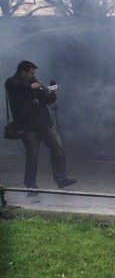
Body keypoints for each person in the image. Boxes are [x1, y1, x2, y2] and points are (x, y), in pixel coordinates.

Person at [5, 60, 77, 191]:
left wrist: (52, 95)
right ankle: (31, 186)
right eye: (31, 73)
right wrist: (31, 86)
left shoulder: (34, 82)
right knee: (32, 156)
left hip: (44, 124)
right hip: (28, 127)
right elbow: (13, 84)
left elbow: (46, 98)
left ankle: (61, 179)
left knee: (58, 147)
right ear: (23, 72)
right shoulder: (13, 82)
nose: (33, 75)